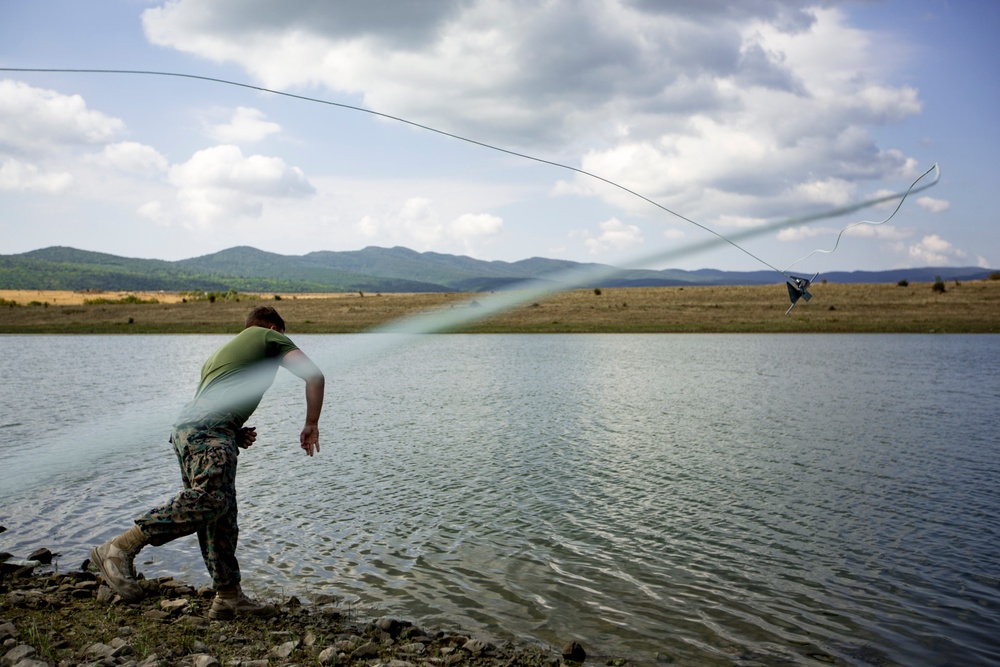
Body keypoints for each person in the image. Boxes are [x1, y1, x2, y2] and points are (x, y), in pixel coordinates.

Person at [90, 305, 325, 619]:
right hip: (210, 428)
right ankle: (120, 548)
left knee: (221, 514)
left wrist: (233, 431)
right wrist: (311, 422)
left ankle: (229, 596)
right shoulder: (269, 336)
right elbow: (314, 375)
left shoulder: (223, 354)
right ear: (271, 327)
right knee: (210, 500)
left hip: (194, 428)